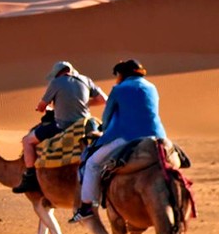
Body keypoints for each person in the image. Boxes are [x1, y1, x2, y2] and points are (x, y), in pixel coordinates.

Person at [71, 59, 166, 222]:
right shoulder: (152, 87)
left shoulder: (118, 89)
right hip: (157, 137)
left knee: (92, 163)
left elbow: (107, 117)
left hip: (127, 137)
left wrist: (103, 129)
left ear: (122, 75)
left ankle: (86, 206)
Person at [13, 62, 107, 193]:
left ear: (58, 74)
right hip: (85, 123)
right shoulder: (86, 80)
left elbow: (41, 106)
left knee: (27, 141)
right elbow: (104, 100)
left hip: (62, 125)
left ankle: (30, 176)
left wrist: (44, 108)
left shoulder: (56, 83)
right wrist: (85, 104)